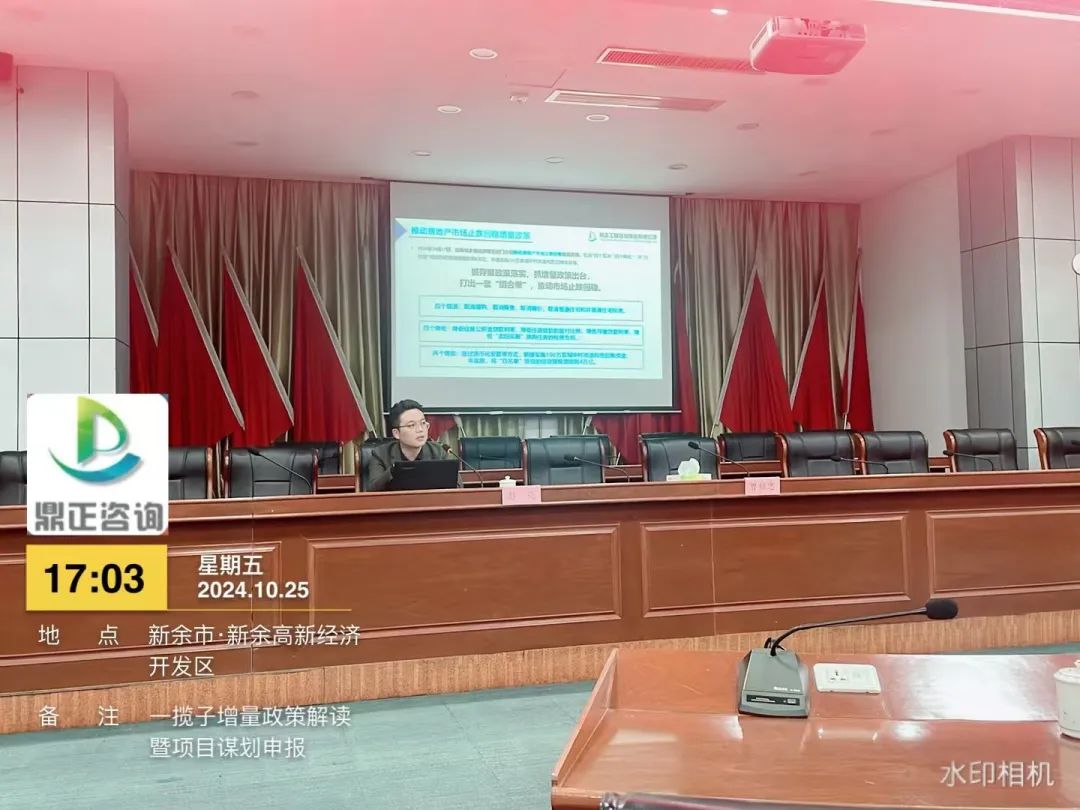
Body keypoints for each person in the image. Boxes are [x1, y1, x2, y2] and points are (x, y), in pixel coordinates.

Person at [365, 399, 450, 492]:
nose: (420, 429)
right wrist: (395, 469)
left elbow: (457, 486)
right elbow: (372, 490)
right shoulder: (381, 454)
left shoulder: (438, 452)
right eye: (411, 425)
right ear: (396, 433)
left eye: (423, 423)